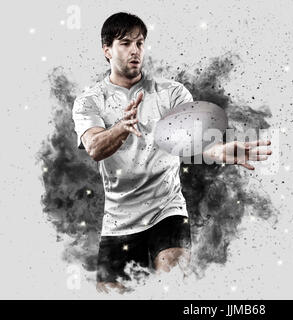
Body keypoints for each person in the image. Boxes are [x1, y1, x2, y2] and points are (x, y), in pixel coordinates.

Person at [72, 12, 272, 293]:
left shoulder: (172, 93)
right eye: (126, 42)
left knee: (174, 288)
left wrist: (221, 150)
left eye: (140, 43)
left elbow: (193, 142)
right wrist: (122, 126)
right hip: (117, 222)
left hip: (166, 212)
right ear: (106, 50)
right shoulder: (89, 101)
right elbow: (94, 148)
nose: (135, 50)